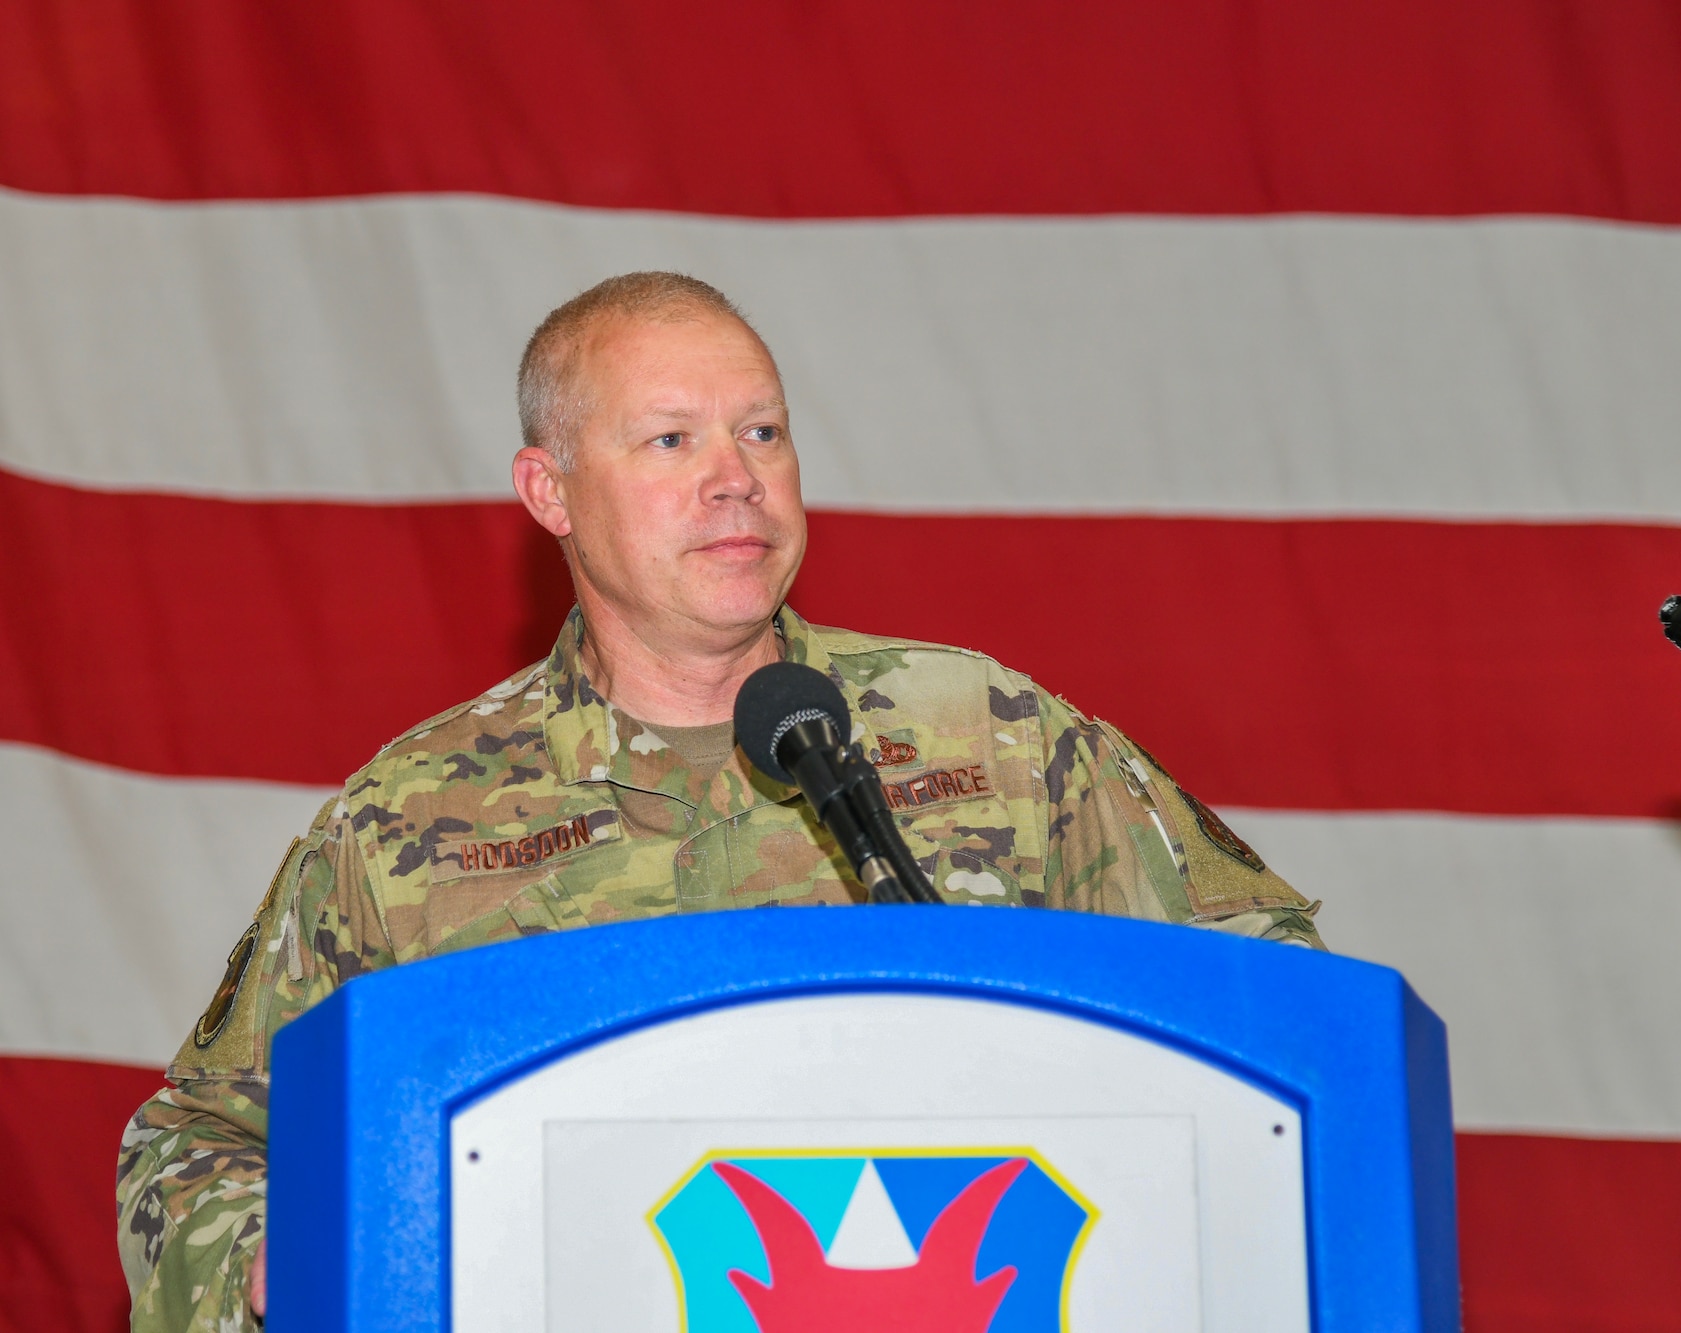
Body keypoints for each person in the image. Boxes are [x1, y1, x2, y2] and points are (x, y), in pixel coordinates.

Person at [114, 272, 1323, 1330]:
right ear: (549, 490)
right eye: (671, 441)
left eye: (762, 431)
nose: (736, 480)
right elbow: (196, 1145)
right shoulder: (407, 820)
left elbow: (1274, 1004)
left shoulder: (991, 735)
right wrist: (291, 1265)